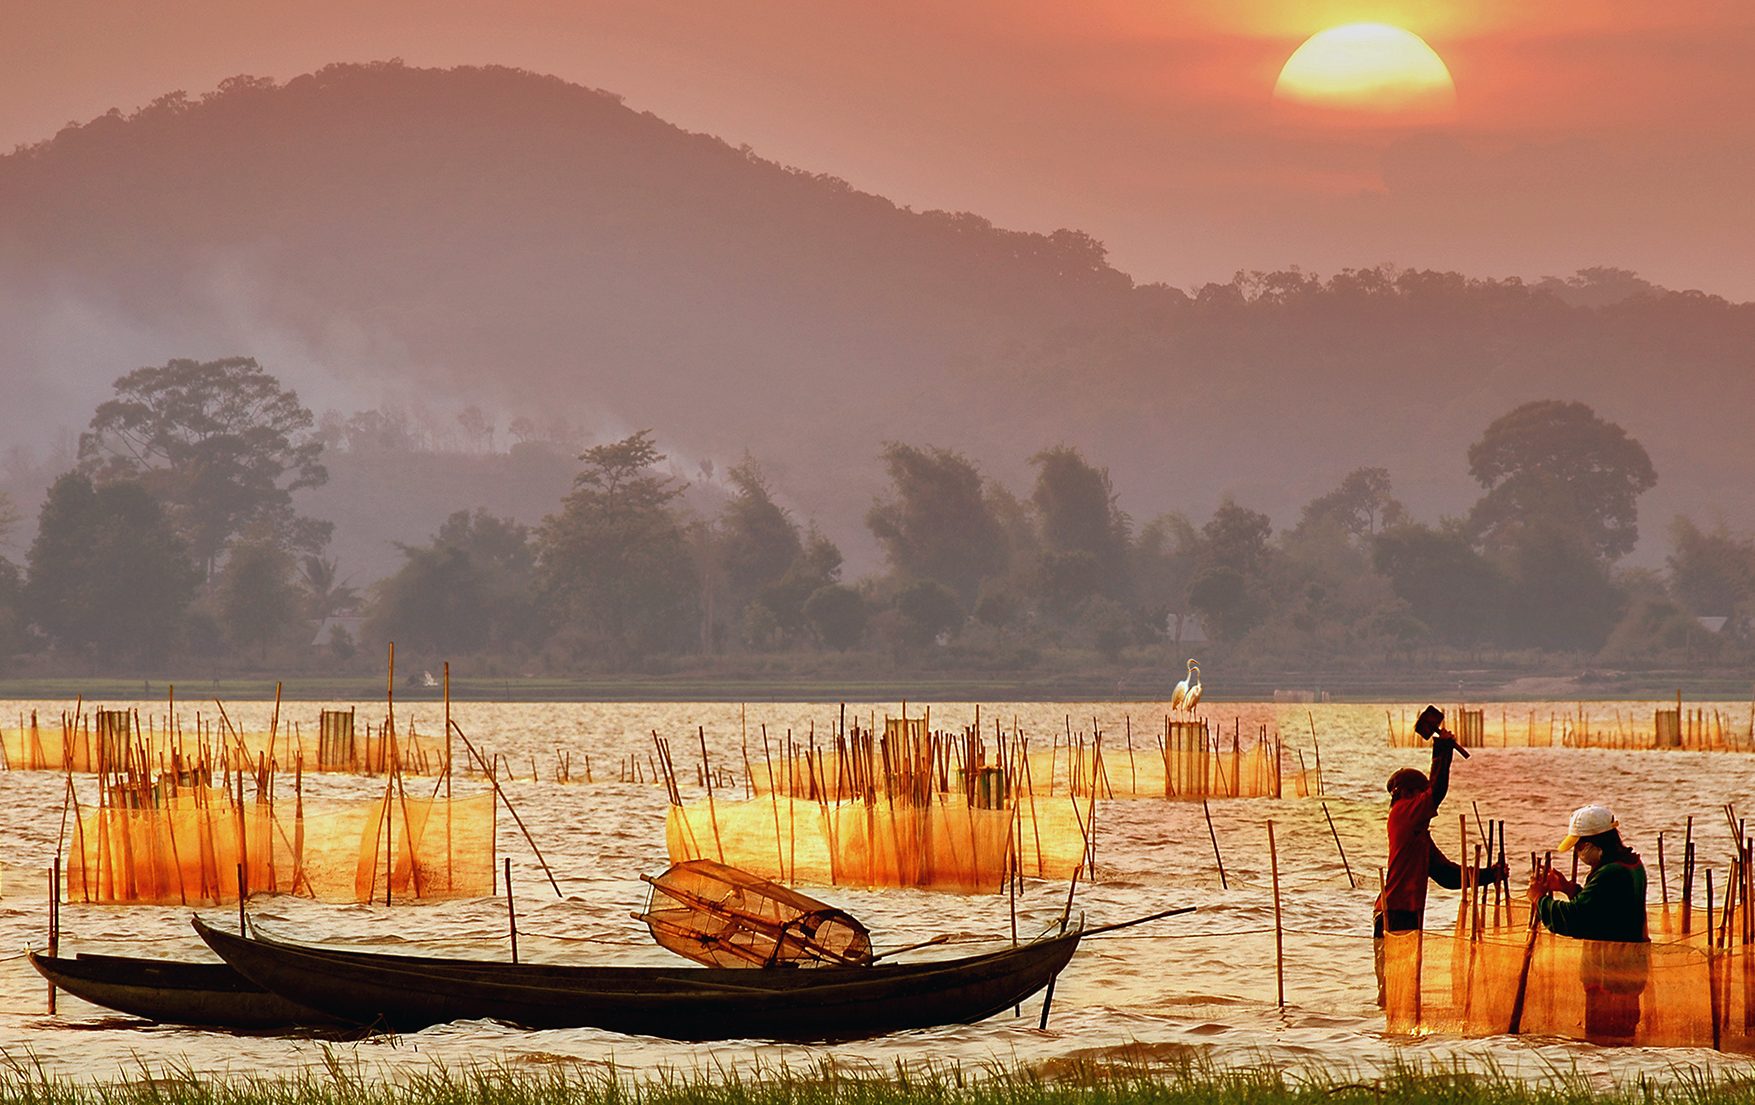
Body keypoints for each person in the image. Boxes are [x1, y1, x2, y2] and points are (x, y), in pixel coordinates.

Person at [1374, 728, 1506, 1005]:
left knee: (1404, 992)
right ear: (1409, 794)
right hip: (1394, 912)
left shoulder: (1418, 835)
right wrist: (1442, 750)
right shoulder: (1401, 814)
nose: (1427, 805)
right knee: (1394, 993)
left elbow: (1446, 875)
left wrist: (1488, 875)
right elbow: (1437, 792)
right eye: (1420, 796)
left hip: (1407, 912)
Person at [1527, 804, 1650, 1042]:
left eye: (1580, 846)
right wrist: (1568, 888)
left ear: (1596, 844)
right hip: (1628, 972)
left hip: (1610, 975)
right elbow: (1604, 909)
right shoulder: (1631, 865)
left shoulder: (1610, 873)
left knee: (1603, 1041)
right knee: (1621, 1042)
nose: (1578, 853)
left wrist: (1538, 899)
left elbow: (1575, 918)